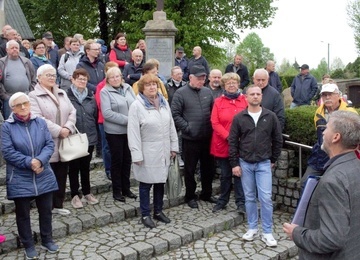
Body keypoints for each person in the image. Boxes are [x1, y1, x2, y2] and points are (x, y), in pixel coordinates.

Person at [283, 111, 360, 259]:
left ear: (336, 137)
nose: (323, 132)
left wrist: (297, 233)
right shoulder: (355, 165)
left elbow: (331, 238)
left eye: (327, 128)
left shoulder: (333, 181)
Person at [1, 92, 59, 259]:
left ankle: (47, 239)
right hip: (20, 176)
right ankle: (28, 244)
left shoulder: (40, 122)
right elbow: (8, 151)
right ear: (12, 108)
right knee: (23, 213)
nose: (24, 107)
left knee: (46, 210)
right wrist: (29, 162)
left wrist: (40, 161)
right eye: (19, 105)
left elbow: (49, 144)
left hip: (43, 173)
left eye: (25, 103)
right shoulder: (7, 127)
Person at [228, 85, 283, 247]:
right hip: (245, 163)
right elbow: (232, 142)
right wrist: (234, 163)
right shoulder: (239, 118)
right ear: (246, 97)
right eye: (252, 94)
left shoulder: (270, 116)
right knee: (250, 197)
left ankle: (267, 231)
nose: (255, 96)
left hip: (264, 163)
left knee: (265, 198)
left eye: (258, 94)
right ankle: (252, 228)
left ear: (261, 97)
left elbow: (278, 139)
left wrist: (273, 158)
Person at [127, 73, 178, 228]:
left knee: (160, 182)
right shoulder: (136, 106)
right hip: (147, 151)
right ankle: (145, 214)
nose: (152, 87)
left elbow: (171, 126)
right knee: (145, 184)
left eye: (154, 84)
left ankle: (158, 210)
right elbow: (133, 132)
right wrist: (136, 154)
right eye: (148, 85)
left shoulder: (164, 103)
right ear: (142, 88)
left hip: (163, 150)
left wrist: (174, 146)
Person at [29, 64, 76, 216]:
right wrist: (58, 130)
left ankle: (58, 203)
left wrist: (68, 128)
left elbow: (72, 111)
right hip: (46, 142)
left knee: (62, 174)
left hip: (64, 141)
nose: (51, 78)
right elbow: (37, 117)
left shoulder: (61, 93)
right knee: (47, 174)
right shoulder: (33, 96)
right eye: (48, 75)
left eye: (53, 75)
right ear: (39, 77)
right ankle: (46, 206)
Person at [171, 65, 216, 209]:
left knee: (208, 168)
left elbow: (213, 111)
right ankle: (190, 196)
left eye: (203, 78)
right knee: (190, 169)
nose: (202, 81)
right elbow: (175, 114)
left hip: (207, 138)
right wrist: (187, 128)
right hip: (190, 139)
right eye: (199, 79)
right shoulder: (181, 93)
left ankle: (206, 193)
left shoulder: (208, 92)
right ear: (190, 78)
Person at [300, 83, 358, 192]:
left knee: (334, 188)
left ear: (338, 95)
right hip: (319, 157)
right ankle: (306, 208)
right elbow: (320, 136)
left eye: (330, 94)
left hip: (340, 158)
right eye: (324, 95)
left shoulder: (350, 113)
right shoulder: (319, 112)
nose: (327, 97)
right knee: (305, 183)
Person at [210, 73, 247, 214]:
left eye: (234, 82)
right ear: (224, 86)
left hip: (241, 144)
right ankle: (222, 200)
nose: (231, 85)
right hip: (223, 144)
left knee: (239, 174)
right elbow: (215, 122)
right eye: (228, 83)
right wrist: (229, 137)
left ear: (238, 84)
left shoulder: (245, 101)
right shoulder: (218, 102)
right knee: (225, 175)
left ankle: (241, 203)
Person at [100, 67, 137, 202]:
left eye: (117, 76)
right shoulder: (105, 92)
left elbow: (136, 104)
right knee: (117, 161)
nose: (115, 79)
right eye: (112, 77)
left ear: (121, 77)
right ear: (108, 80)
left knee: (127, 160)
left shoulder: (128, 87)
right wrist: (129, 120)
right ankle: (117, 190)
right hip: (114, 132)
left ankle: (126, 188)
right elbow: (107, 113)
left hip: (129, 131)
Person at [67, 69, 99, 209]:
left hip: (89, 137)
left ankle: (87, 192)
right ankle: (75, 195)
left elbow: (95, 115)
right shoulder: (67, 96)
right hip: (73, 137)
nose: (82, 81)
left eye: (84, 79)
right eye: (79, 79)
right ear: (73, 80)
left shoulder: (91, 97)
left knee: (85, 167)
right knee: (74, 168)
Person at [0, 40, 36, 119]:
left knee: (28, 119)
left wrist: (31, 92)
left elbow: (33, 78)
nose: (15, 49)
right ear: (7, 50)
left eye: (16, 48)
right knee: (11, 121)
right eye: (12, 48)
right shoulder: (1, 63)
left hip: (26, 96)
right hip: (9, 98)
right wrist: (4, 96)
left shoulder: (27, 62)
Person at [95, 61, 119, 180]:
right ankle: (109, 169)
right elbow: (100, 104)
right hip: (104, 120)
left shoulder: (123, 86)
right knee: (107, 147)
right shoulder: (101, 86)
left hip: (120, 122)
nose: (114, 76)